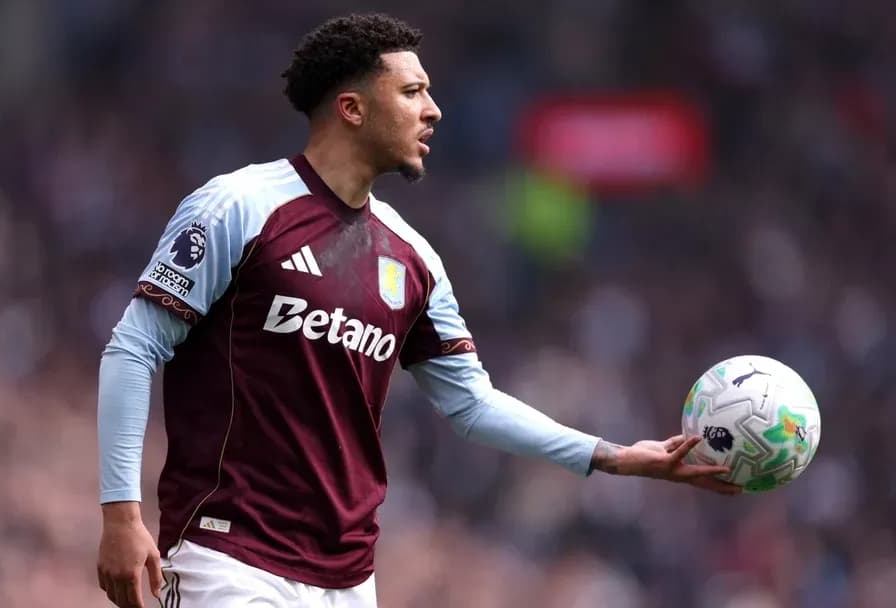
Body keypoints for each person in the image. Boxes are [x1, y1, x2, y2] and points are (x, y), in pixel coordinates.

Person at [95, 12, 739, 608]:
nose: (433, 111)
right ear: (350, 108)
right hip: (230, 558)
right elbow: (133, 347)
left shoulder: (414, 258)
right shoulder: (238, 206)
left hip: (348, 579)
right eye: (412, 93)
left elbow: (472, 404)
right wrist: (121, 514)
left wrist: (619, 456)